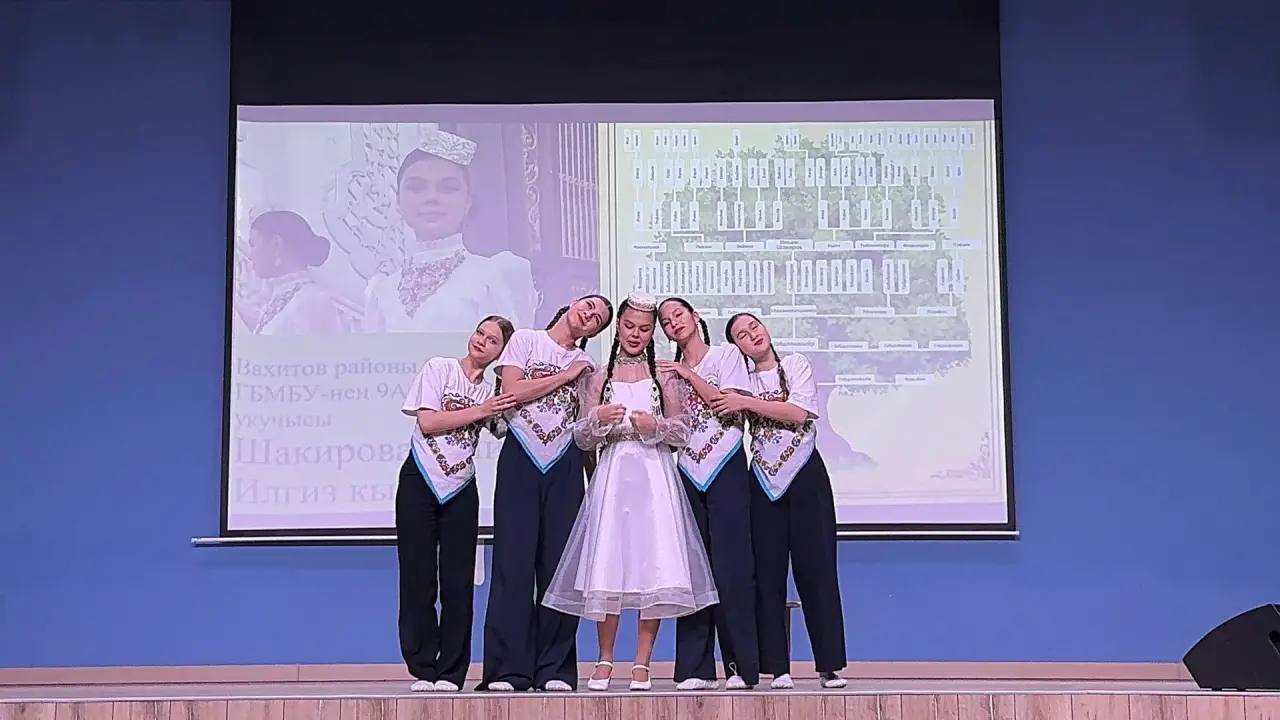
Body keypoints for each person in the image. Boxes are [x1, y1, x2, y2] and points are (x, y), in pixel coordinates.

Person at [543, 294, 718, 692]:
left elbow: (682, 431)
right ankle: (605, 658)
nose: (636, 335)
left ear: (652, 333)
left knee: (652, 563)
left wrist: (656, 426)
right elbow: (582, 437)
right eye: (629, 327)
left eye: (644, 329)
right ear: (618, 326)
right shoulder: (598, 375)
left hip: (654, 473)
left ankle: (643, 661)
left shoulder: (664, 375)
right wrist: (599, 420)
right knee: (609, 562)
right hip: (614, 473)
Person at [480, 295, 614, 692]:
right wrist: (565, 375)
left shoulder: (588, 366)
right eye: (588, 306)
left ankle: (555, 669)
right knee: (512, 564)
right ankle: (508, 670)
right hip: (521, 456)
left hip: (565, 461)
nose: (589, 315)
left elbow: (585, 423)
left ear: (594, 331)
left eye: (598, 318)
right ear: (572, 305)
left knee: (559, 569)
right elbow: (511, 392)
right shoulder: (526, 340)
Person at [717, 312, 849, 690]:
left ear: (766, 329)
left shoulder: (795, 365)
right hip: (763, 480)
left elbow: (798, 412)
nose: (752, 335)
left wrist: (748, 404)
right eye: (742, 335)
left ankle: (829, 666)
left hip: (807, 475)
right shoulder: (740, 380)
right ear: (737, 347)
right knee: (767, 576)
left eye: (754, 327)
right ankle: (777, 667)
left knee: (817, 571)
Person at [397, 315, 517, 693]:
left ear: (501, 352)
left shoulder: (494, 389)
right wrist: (482, 410)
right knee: (418, 579)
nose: (482, 341)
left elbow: (505, 429)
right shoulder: (440, 368)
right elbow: (429, 423)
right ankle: (423, 667)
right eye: (480, 333)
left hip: (461, 488)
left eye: (492, 340)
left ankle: (451, 671)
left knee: (458, 583)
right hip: (419, 480)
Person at [654, 297, 761, 691]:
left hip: (725, 466)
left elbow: (724, 404)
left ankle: (740, 667)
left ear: (695, 317)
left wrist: (687, 373)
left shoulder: (727, 355)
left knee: (732, 569)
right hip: (688, 471)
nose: (673, 323)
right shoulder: (667, 373)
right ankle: (694, 668)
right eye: (666, 321)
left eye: (678, 315)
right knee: (693, 571)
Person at [363, 130, 538, 332]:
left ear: (468, 201)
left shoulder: (493, 274)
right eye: (417, 187)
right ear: (398, 201)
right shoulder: (382, 290)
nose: (432, 197)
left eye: (448, 188)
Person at [241, 210, 344, 335]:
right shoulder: (283, 297)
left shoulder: (312, 301)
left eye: (253, 245)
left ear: (276, 244)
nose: (250, 255)